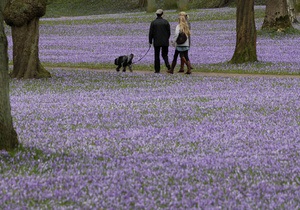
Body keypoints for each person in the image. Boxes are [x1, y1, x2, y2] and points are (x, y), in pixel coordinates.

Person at [149, 9, 171, 73]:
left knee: (156, 56)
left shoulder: (153, 23)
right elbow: (169, 32)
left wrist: (150, 41)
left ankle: (157, 70)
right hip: (165, 41)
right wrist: (167, 38)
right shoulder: (166, 22)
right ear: (162, 14)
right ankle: (168, 65)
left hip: (156, 42)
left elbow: (151, 33)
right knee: (165, 55)